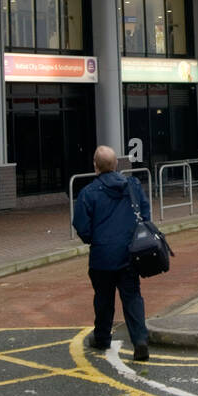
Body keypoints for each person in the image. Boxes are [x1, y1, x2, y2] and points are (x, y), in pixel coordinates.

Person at [73, 145, 151, 361]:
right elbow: (145, 214)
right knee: (132, 296)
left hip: (102, 256)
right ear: (116, 164)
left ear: (95, 166)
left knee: (103, 299)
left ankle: (102, 338)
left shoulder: (88, 193)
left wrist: (95, 239)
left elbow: (81, 226)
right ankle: (140, 341)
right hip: (129, 253)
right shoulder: (132, 185)